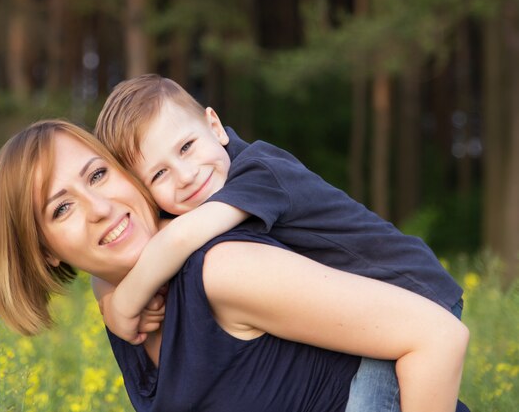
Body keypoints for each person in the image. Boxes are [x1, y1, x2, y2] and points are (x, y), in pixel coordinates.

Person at [0, 120, 469, 412]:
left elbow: (438, 336)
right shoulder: (127, 301)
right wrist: (113, 297)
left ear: (128, 172)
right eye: (61, 208)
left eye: (99, 174)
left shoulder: (221, 269)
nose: (99, 207)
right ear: (44, 250)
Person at [92, 74, 468, 412]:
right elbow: (143, 243)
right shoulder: (208, 188)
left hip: (412, 290)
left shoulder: (261, 172)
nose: (186, 175)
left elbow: (179, 237)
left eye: (187, 146)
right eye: (159, 173)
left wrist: (125, 302)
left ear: (215, 126)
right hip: (379, 307)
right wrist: (104, 290)